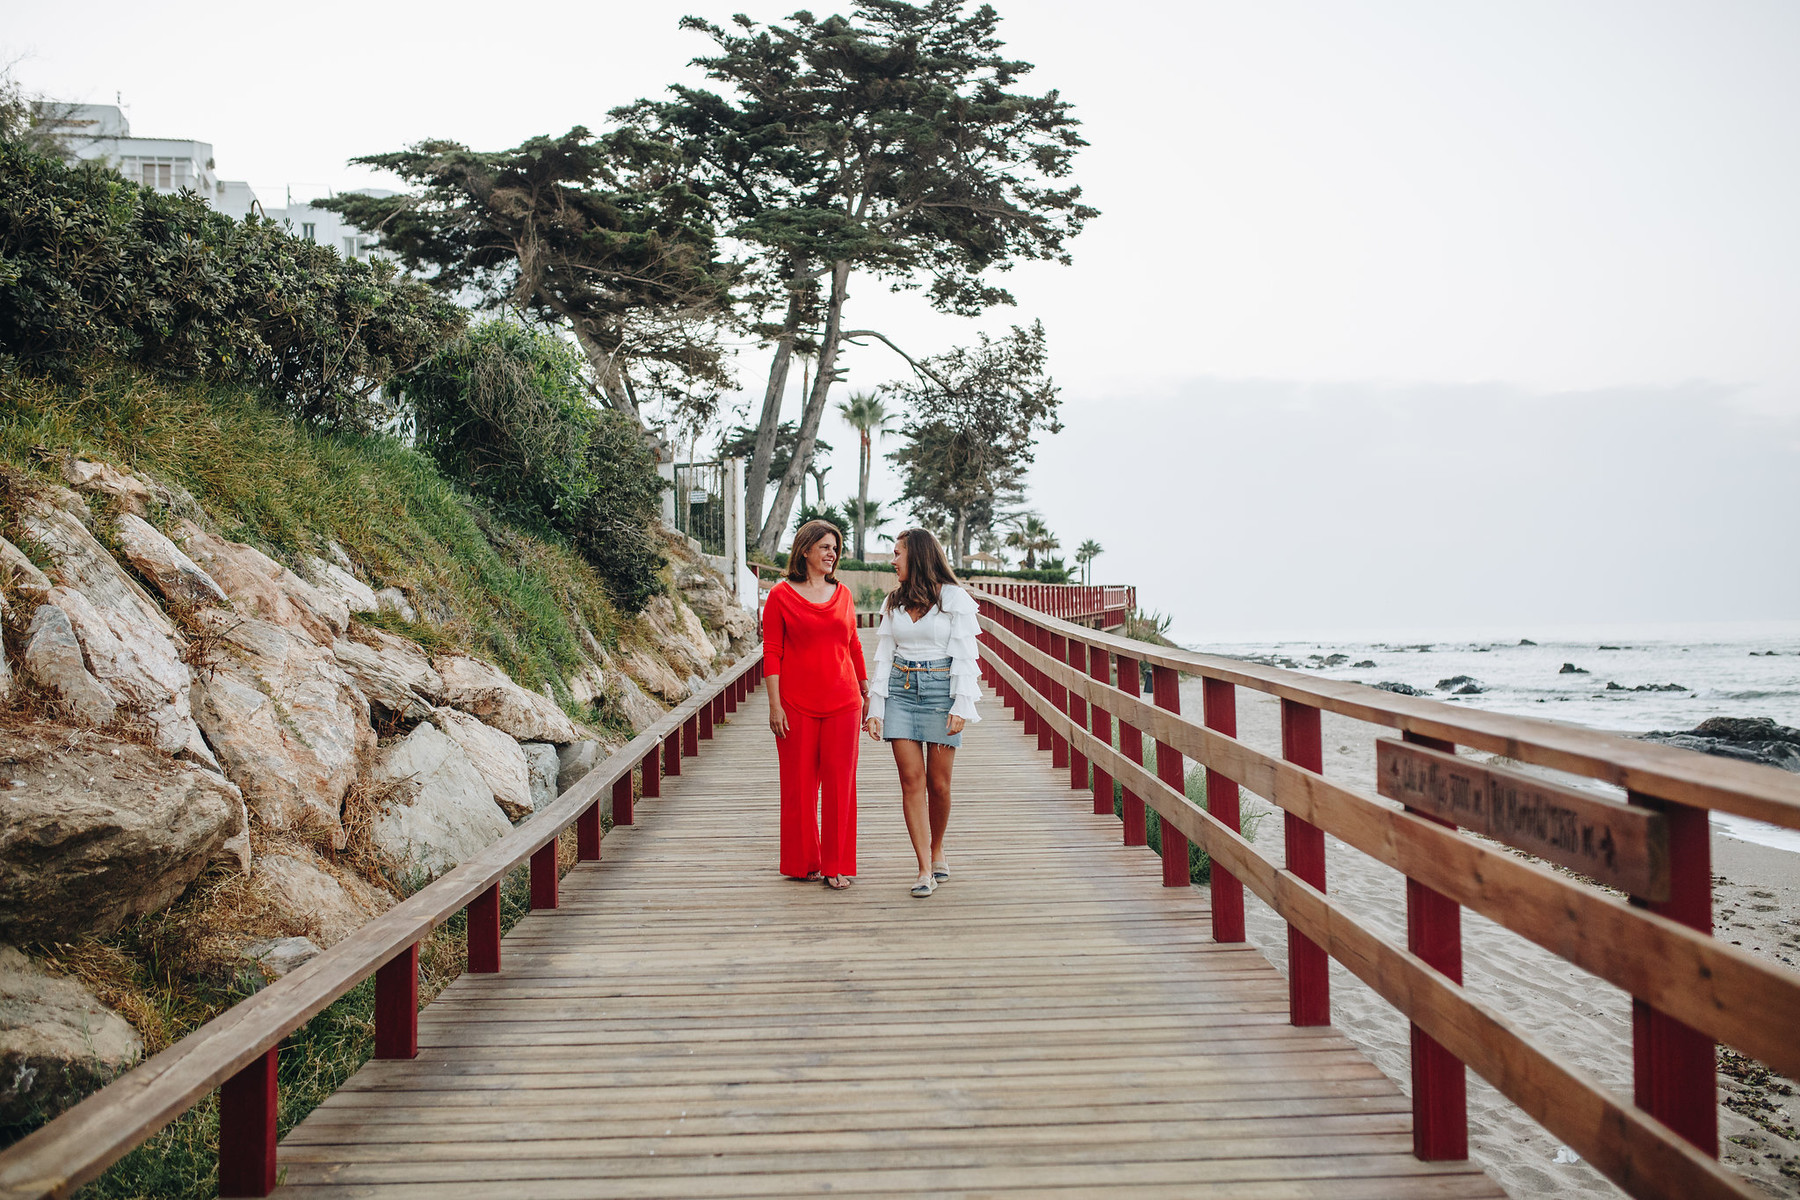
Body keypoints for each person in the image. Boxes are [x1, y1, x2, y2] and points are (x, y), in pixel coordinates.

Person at [863, 529, 981, 897]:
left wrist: (962, 704)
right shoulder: (894, 601)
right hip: (901, 689)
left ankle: (938, 847)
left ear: (917, 555)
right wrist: (876, 708)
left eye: (897, 553)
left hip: (941, 692)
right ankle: (923, 868)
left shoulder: (953, 599)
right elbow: (885, 655)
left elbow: (965, 654)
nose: (892, 560)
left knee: (939, 784)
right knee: (911, 780)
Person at [763, 519, 869, 890]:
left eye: (835, 548)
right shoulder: (780, 596)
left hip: (843, 701)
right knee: (799, 786)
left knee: (841, 786)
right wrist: (775, 706)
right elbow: (772, 653)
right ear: (805, 550)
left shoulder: (843, 594)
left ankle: (835, 865)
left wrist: (865, 688)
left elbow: (853, 643)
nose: (832, 553)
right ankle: (802, 860)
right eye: (825, 546)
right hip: (795, 704)